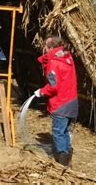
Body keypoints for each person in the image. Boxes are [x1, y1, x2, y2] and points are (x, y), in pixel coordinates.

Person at [33, 35, 78, 167]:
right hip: (72, 101)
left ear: (51, 47)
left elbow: (53, 86)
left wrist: (41, 91)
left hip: (61, 103)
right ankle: (67, 160)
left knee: (58, 132)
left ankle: (62, 164)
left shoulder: (54, 62)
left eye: (45, 46)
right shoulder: (67, 57)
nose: (44, 49)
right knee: (65, 132)